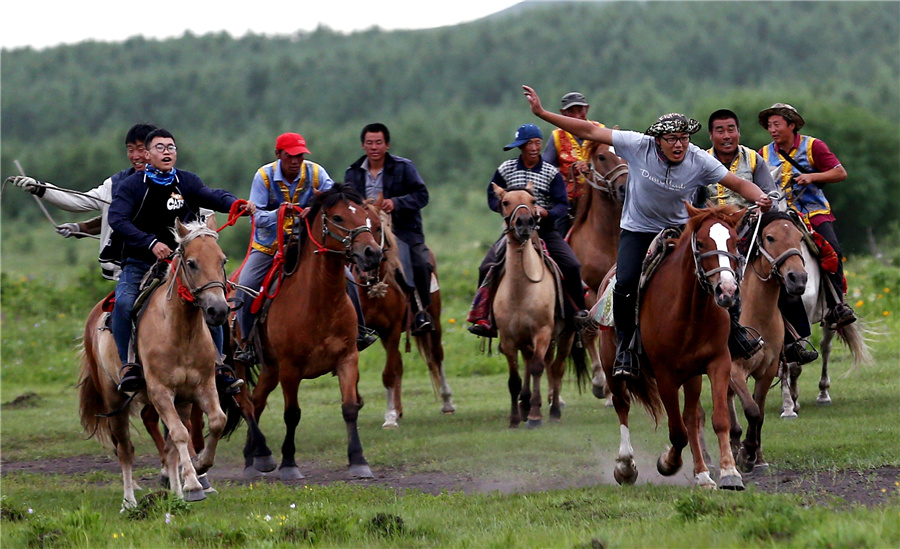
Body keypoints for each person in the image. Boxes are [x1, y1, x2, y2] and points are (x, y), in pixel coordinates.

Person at [522, 85, 772, 379]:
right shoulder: (637, 145)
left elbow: (739, 184)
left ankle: (734, 331)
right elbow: (589, 130)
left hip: (681, 229)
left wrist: (761, 197)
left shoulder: (698, 159)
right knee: (626, 282)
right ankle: (627, 348)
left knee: (721, 269)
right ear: (658, 140)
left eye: (683, 138)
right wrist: (542, 113)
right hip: (638, 229)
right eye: (671, 139)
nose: (678, 145)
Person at [108, 128, 254, 393]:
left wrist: (236, 204)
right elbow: (117, 219)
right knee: (124, 303)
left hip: (182, 265)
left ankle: (219, 365)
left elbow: (212, 195)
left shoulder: (186, 182)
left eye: (171, 147)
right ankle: (128, 365)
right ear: (148, 154)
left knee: (212, 299)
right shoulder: (130, 186)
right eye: (160, 148)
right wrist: (151, 243)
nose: (166, 152)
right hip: (140, 262)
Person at [232, 132, 376, 359]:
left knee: (348, 278)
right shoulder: (264, 177)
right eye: (290, 156)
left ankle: (360, 331)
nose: (296, 161)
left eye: (300, 155)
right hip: (270, 247)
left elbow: (333, 199)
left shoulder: (316, 172)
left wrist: (316, 209)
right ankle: (246, 343)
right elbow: (256, 217)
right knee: (246, 285)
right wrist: (280, 212)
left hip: (307, 244)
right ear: (278, 154)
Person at [706, 109, 817, 365]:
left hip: (750, 227)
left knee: (780, 264)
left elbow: (773, 193)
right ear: (711, 134)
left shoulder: (753, 159)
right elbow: (692, 198)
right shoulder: (701, 160)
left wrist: (767, 203)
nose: (726, 135)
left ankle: (794, 339)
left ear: (738, 132)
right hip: (714, 233)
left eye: (731, 129)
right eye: (720, 130)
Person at [467, 123, 592, 337]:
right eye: (528, 144)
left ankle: (578, 312)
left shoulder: (551, 172)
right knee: (486, 266)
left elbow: (563, 205)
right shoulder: (506, 169)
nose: (533, 148)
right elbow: (491, 196)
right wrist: (505, 205)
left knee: (571, 265)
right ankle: (485, 316)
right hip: (512, 232)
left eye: (537, 143)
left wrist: (546, 213)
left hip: (545, 231)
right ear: (520, 147)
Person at [7, 123, 158, 280]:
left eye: (141, 149)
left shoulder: (178, 184)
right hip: (128, 269)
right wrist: (39, 188)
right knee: (123, 304)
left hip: (169, 266)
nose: (135, 156)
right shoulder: (115, 185)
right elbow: (82, 202)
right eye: (130, 149)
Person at [758, 102, 856, 329]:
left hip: (812, 211)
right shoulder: (763, 153)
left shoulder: (814, 146)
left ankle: (836, 305)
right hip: (780, 215)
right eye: (769, 125)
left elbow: (840, 173)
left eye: (777, 124)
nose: (772, 130)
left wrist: (812, 177)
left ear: (791, 125)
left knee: (832, 248)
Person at [345, 123, 435, 335]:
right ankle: (342, 317)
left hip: (401, 229)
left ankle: (420, 311)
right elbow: (348, 203)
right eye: (369, 143)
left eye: (378, 142)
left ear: (387, 145)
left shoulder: (404, 167)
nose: (374, 147)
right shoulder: (353, 172)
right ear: (363, 145)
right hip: (365, 230)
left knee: (420, 262)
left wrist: (396, 203)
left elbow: (422, 195)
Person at [541, 91, 606, 231]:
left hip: (598, 197)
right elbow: (546, 169)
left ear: (587, 109)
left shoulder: (600, 131)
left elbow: (611, 160)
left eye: (580, 111)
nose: (577, 116)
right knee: (556, 232)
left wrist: (590, 167)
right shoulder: (557, 136)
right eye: (571, 112)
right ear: (563, 113)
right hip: (569, 200)